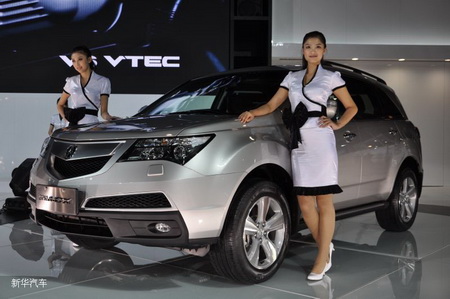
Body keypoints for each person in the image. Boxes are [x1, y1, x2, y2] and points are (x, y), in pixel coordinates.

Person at [239, 31, 358, 281]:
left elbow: (352, 107)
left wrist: (337, 124)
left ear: (325, 50)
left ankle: (321, 256)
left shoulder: (331, 77)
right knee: (305, 203)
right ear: (302, 51)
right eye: (307, 46)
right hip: (299, 142)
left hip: (321, 140)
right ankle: (326, 248)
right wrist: (252, 112)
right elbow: (272, 105)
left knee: (324, 200)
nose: (312, 50)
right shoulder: (291, 78)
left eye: (317, 46)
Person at [57, 45, 119, 126]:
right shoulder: (71, 81)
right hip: (72, 125)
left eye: (80, 59)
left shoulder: (103, 81)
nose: (77, 64)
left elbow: (104, 113)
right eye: (73, 61)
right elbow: (60, 104)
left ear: (89, 59)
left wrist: (110, 118)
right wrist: (66, 119)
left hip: (91, 125)